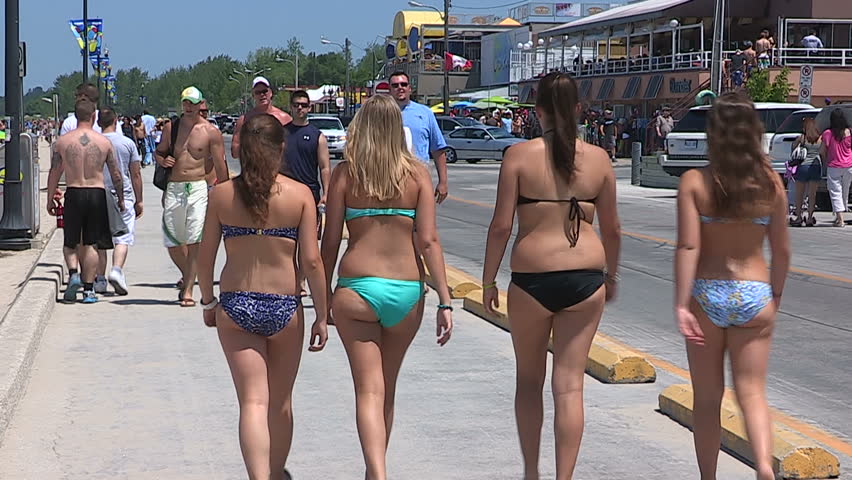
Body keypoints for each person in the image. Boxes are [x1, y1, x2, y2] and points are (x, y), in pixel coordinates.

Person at [482, 72, 621, 480]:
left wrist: (489, 279)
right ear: (578, 109)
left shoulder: (518, 157)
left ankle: (531, 473)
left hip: (532, 280)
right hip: (585, 279)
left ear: (537, 110)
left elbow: (500, 227)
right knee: (570, 385)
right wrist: (611, 276)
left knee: (529, 380)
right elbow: (612, 229)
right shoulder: (599, 160)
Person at [320, 95, 453, 480]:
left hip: (357, 288)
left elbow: (330, 242)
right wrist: (445, 300)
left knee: (368, 390)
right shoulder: (416, 175)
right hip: (406, 289)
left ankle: (375, 473)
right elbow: (428, 240)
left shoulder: (346, 174)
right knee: (387, 389)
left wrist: (321, 296)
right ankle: (375, 470)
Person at [198, 113, 328, 480]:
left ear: (241, 150)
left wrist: (208, 301)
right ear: (281, 148)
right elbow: (312, 261)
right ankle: (274, 474)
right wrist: (321, 313)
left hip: (236, 303)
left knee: (252, 401)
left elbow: (206, 256)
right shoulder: (300, 195)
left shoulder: (222, 195)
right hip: (285, 305)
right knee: (280, 402)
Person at [674, 92, 790, 480]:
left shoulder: (695, 181)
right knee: (752, 392)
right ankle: (761, 466)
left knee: (707, 400)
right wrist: (774, 295)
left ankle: (709, 476)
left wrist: (681, 303)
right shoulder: (772, 183)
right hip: (755, 293)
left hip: (707, 293)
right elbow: (783, 251)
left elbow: (689, 245)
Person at [155, 86, 230, 306]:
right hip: (175, 187)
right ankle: (190, 272)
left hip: (198, 187)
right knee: (172, 240)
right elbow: (160, 151)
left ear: (201, 105)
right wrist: (162, 160)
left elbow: (220, 165)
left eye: (192, 103)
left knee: (195, 237)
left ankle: (188, 289)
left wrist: (224, 194)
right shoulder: (172, 127)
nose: (188, 107)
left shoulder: (210, 132)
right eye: (185, 103)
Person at [47, 99, 125, 304]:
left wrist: (50, 198)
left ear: (75, 115)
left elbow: (54, 172)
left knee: (70, 241)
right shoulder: (103, 142)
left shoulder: (62, 142)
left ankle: (73, 273)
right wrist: (122, 200)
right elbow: (116, 174)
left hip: (74, 191)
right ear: (94, 117)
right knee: (91, 243)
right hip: (97, 193)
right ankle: (89, 290)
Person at [93, 107, 144, 295]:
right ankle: (116, 270)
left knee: (100, 240)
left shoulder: (94, 143)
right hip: (123, 195)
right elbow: (135, 173)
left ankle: (99, 278)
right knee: (122, 237)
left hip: (98, 194)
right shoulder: (127, 143)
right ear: (116, 121)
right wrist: (139, 200)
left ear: (98, 122)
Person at [389, 71, 449, 203]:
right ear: (390, 90)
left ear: (410, 88)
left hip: (419, 177)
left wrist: (443, 182)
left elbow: (438, 149)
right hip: (389, 178)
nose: (400, 87)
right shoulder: (382, 113)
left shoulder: (425, 113)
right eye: (395, 85)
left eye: (404, 84)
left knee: (422, 221)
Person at [231, 77, 292, 159]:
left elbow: (292, 148)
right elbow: (234, 152)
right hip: (252, 169)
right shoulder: (244, 120)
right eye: (258, 92)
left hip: (277, 168)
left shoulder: (284, 119)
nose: (262, 95)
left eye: (264, 91)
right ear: (253, 96)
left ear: (270, 93)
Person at [820, 109, 852, 227]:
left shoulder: (828, 133)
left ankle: (840, 219)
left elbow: (822, 150)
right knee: (845, 191)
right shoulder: (849, 132)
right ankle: (839, 216)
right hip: (849, 165)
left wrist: (825, 160)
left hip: (834, 165)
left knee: (835, 192)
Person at [789, 117, 822, 227]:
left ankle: (798, 218)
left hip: (803, 167)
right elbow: (822, 153)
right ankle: (809, 218)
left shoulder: (802, 138)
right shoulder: (820, 139)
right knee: (812, 195)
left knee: (800, 195)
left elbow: (793, 149)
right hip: (815, 166)